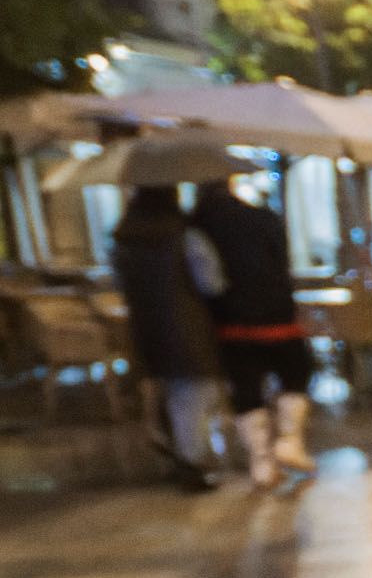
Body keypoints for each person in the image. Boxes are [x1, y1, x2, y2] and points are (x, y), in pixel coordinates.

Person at [191, 180, 317, 489]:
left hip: (231, 323)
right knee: (296, 373)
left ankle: (261, 462)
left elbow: (205, 279)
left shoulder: (195, 226)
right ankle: (289, 441)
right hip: (278, 316)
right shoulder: (263, 217)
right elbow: (282, 265)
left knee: (246, 388)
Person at [109, 182, 224, 492]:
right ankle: (191, 462)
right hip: (186, 323)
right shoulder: (185, 237)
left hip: (144, 326)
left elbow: (120, 284)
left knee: (167, 390)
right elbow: (211, 283)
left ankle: (172, 449)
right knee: (196, 392)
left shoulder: (122, 240)